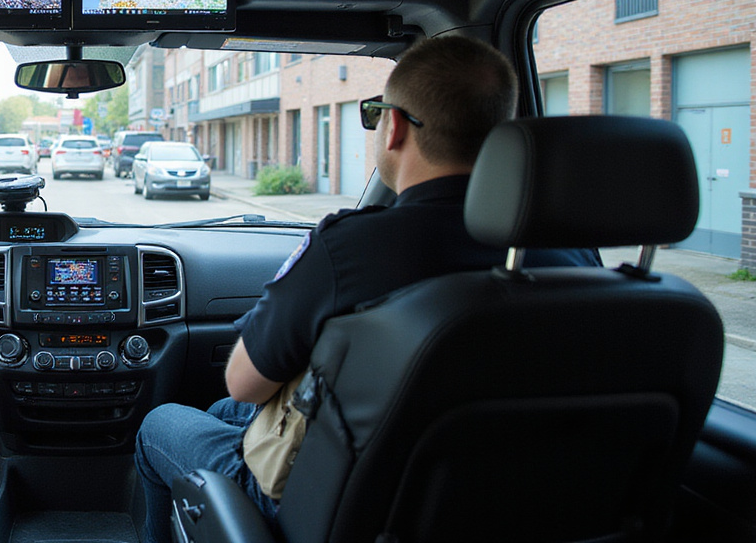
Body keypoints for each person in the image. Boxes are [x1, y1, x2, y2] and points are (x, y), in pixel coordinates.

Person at [133, 35, 601, 543]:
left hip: (334, 509)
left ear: (393, 125)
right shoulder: (576, 260)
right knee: (227, 415)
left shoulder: (350, 249)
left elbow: (245, 382)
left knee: (160, 422)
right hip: (509, 509)